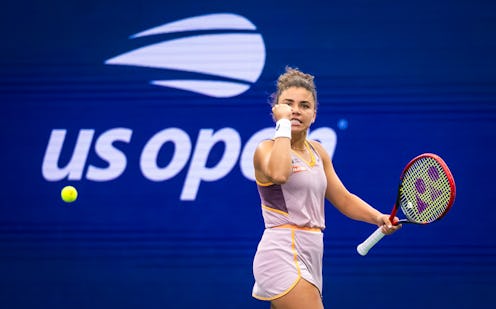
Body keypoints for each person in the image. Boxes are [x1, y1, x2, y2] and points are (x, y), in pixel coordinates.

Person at [251, 67, 401, 309]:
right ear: (277, 110)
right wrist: (283, 126)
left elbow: (343, 198)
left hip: (312, 253)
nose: (296, 110)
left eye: (304, 105)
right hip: (281, 252)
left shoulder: (318, 151)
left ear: (314, 114)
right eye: (288, 104)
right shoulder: (265, 149)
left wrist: (378, 217)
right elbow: (279, 173)